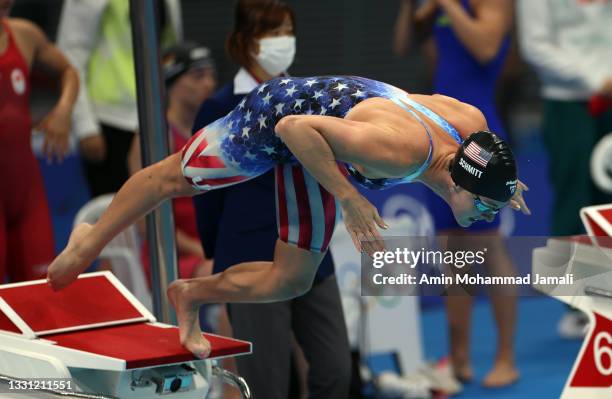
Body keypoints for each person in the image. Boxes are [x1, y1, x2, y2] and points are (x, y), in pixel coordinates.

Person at [47, 74, 530, 361]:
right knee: (171, 180)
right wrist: (348, 197)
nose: (486, 215)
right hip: (282, 116)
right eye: (485, 204)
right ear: (462, 181)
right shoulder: (398, 152)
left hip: (324, 141)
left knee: (292, 280)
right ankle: (89, 240)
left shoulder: (472, 130)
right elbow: (293, 128)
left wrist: (505, 188)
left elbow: (489, 163)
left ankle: (190, 294)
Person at [191, 1, 352, 397]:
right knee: (267, 383)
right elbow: (204, 191)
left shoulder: (312, 98)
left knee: (336, 369)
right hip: (249, 255)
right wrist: (220, 255)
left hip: (312, 253)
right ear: (245, 41)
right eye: (271, 33)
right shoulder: (217, 107)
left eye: (287, 31)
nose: (282, 42)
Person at [394, 0, 520, 388]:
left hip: (477, 131)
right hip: (439, 131)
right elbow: (404, 45)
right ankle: (459, 357)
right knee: (453, 250)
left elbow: (485, 47)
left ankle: (505, 357)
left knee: (488, 246)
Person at [517, 0, 612, 340]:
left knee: (608, 205)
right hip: (568, 102)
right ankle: (577, 308)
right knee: (575, 202)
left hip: (610, 100)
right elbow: (535, 46)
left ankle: (608, 303)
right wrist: (593, 80)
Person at [56, 0, 182, 197]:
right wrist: (84, 125)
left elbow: (171, 51)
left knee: (160, 203)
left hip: (156, 118)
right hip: (108, 123)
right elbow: (70, 57)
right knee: (116, 216)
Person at [0, 0, 78, 282]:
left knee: (38, 294)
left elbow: (69, 71)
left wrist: (63, 111)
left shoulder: (24, 34)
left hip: (25, 188)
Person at [128, 42, 216, 281]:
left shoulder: (213, 130)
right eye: (198, 77)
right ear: (173, 82)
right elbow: (147, 224)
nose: (208, 84)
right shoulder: (155, 138)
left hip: (211, 246)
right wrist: (200, 249)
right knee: (229, 275)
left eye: (210, 76)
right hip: (171, 254)